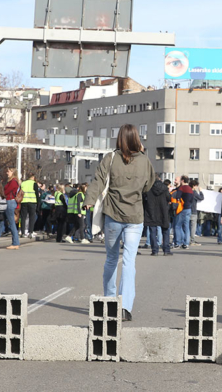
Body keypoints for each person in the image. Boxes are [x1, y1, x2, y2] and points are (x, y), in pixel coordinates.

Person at [83, 124, 155, 322]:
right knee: (129, 261)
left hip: (113, 215)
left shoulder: (110, 158)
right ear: (136, 139)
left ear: (120, 139)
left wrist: (89, 200)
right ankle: (125, 308)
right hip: (135, 217)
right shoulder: (144, 161)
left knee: (112, 259)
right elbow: (149, 185)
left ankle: (109, 301)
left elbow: (98, 180)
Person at [143, 173, 172, 256]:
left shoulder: (148, 188)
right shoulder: (164, 188)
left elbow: (144, 199)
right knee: (165, 231)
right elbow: (169, 198)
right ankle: (166, 250)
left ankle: (154, 250)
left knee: (152, 231)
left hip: (151, 211)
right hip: (163, 211)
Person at [0, 168, 21, 249]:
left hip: (10, 202)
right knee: (1, 221)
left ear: (13, 172)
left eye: (8, 171)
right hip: (9, 202)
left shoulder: (13, 182)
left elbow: (6, 191)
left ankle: (15, 243)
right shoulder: (13, 181)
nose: (7, 172)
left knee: (11, 223)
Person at [172, 176, 194, 249]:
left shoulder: (182, 188)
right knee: (186, 226)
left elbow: (178, 197)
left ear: (182, 180)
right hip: (189, 209)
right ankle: (186, 243)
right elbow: (192, 199)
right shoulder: (190, 189)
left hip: (182, 209)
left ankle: (178, 243)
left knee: (177, 226)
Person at [19, 172, 40, 238]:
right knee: (31, 217)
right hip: (32, 202)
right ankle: (30, 232)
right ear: (33, 177)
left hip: (24, 202)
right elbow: (36, 194)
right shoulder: (34, 183)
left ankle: (22, 232)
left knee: (23, 217)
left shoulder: (23, 183)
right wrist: (38, 204)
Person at [189, 179, 204, 246]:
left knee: (187, 227)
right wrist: (201, 191)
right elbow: (201, 198)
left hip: (186, 210)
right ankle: (192, 240)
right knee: (193, 227)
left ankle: (186, 239)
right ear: (194, 186)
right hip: (193, 211)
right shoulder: (194, 192)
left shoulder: (187, 191)